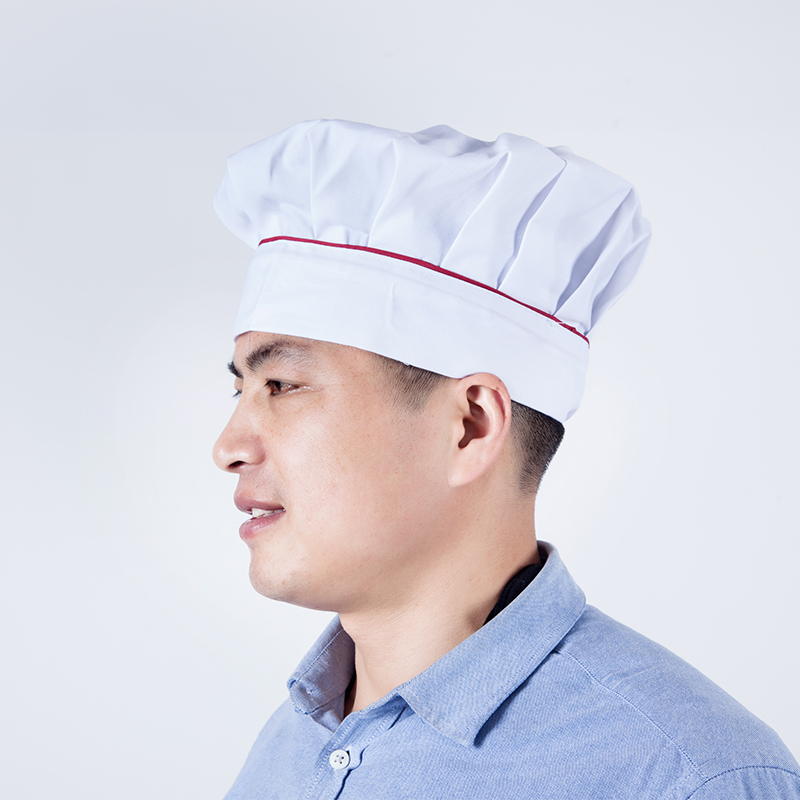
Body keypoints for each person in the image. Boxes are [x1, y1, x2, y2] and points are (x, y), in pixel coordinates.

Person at [211, 119, 800, 799]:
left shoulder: (688, 778)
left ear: (471, 426)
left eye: (282, 385)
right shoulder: (292, 742)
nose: (228, 447)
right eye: (240, 389)